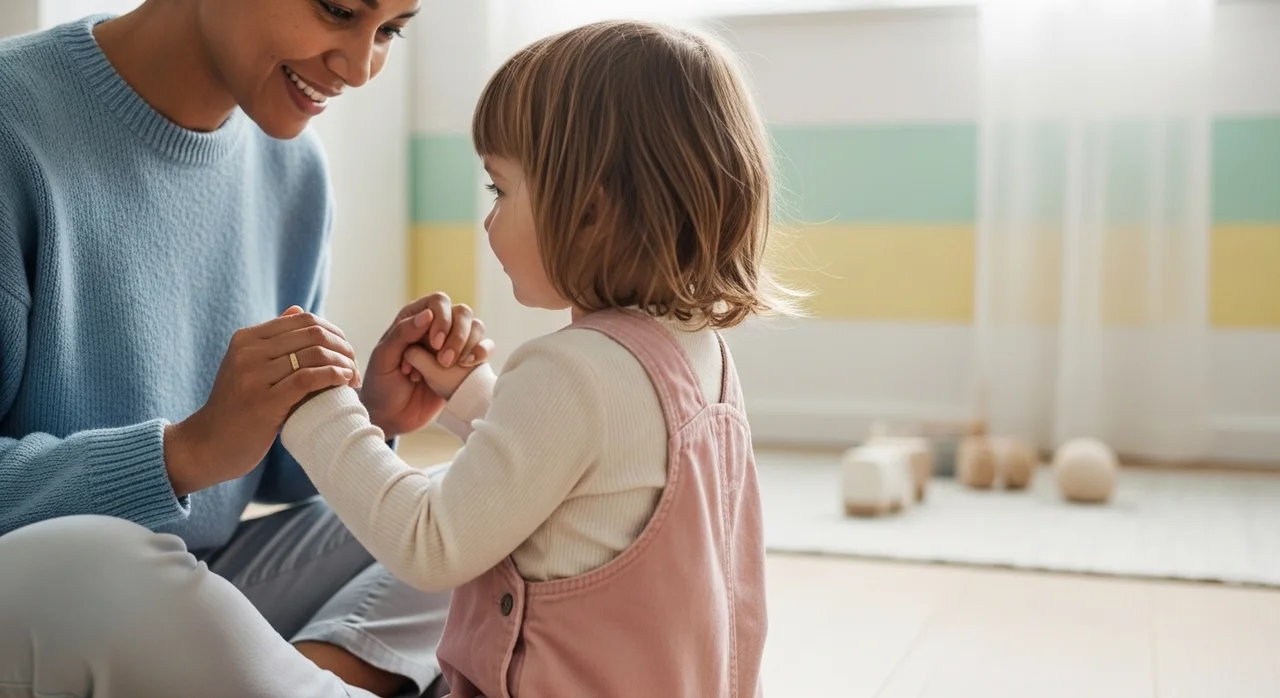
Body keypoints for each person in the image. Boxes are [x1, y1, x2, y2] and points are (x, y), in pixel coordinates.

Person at [282, 20, 797, 696]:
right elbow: (577, 478)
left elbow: (432, 544)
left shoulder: (573, 370)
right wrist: (469, 396)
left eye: (499, 189)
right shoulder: (699, 357)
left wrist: (320, 410)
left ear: (588, 211)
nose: (488, 218)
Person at [0, 2, 486, 696]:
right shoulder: (12, 124)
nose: (359, 66)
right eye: (338, 9)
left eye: (388, 30)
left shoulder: (294, 169)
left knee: (476, 519)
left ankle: (318, 679)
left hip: (194, 587)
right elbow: (204, 463)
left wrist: (367, 413)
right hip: (57, 593)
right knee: (104, 559)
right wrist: (187, 451)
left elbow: (256, 475)